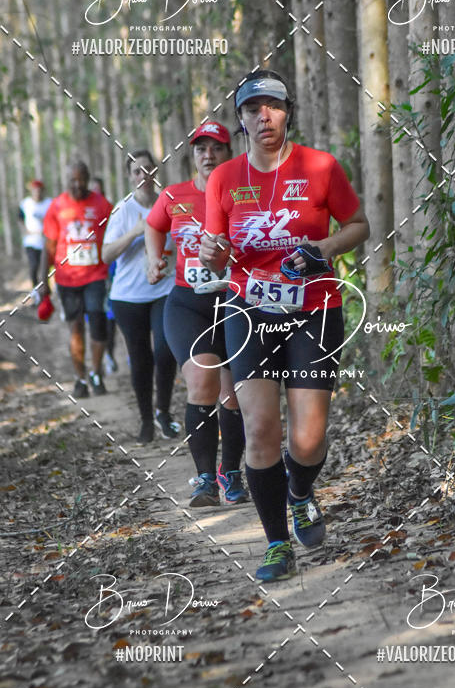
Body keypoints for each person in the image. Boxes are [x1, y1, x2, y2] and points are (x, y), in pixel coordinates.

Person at [200, 70, 370, 582]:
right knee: (259, 429)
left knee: (309, 439)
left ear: (287, 111)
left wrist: (322, 249)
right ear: (242, 121)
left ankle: (300, 491)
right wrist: (212, 255)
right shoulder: (223, 179)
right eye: (253, 109)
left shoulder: (320, 167)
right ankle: (276, 542)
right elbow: (215, 255)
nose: (264, 116)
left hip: (313, 308)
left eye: (272, 106)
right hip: (246, 310)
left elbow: (359, 225)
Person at [145, 122, 247, 506]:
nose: (208, 155)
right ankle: (205, 479)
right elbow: (154, 226)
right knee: (203, 382)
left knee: (234, 395)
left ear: (229, 151)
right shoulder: (175, 195)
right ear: (193, 155)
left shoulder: (243, 193)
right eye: (201, 149)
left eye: (216, 148)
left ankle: (231, 472)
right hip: (187, 302)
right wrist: (154, 259)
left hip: (236, 302)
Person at [102, 151, 179, 444]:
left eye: (148, 168)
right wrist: (136, 231)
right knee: (140, 358)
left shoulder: (171, 203)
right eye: (137, 171)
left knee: (165, 349)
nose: (143, 175)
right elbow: (106, 254)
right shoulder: (123, 210)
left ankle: (163, 412)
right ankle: (146, 419)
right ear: (130, 176)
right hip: (128, 297)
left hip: (164, 289)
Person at [40, 161, 113, 398]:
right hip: (67, 279)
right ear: (66, 180)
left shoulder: (102, 205)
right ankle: (80, 378)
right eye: (73, 179)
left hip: (96, 275)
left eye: (82, 179)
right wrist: (43, 282)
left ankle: (97, 373)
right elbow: (49, 247)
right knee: (76, 328)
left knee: (98, 324)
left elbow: (114, 237)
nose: (77, 184)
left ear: (88, 178)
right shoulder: (57, 206)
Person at [90, 177, 118, 374]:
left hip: (109, 270)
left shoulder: (111, 211)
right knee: (94, 316)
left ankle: (109, 354)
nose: (96, 194)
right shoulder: (84, 214)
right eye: (93, 191)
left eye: (98, 190)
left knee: (110, 317)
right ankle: (97, 361)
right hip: (90, 275)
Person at [18, 179, 52, 299]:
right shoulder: (25, 204)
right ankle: (35, 291)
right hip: (31, 242)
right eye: (35, 190)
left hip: (46, 242)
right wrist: (25, 230)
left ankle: (46, 293)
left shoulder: (49, 203)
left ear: (43, 191)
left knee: (45, 269)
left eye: (39, 190)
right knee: (33, 266)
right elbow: (20, 218)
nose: (37, 193)